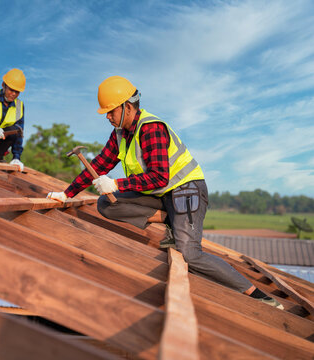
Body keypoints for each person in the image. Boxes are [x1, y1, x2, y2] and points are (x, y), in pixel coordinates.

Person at [47, 76, 283, 309]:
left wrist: (117, 184)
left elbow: (160, 176)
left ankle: (258, 295)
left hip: (187, 191)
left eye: (111, 111)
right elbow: (98, 165)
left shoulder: (151, 128)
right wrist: (67, 194)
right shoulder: (120, 134)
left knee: (189, 253)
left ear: (127, 107)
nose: (107, 117)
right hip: (162, 195)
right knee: (105, 204)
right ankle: (171, 219)